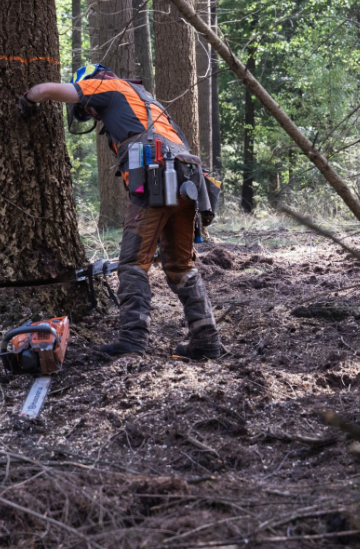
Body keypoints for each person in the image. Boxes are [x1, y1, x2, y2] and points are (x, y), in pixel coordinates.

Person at [18, 63, 221, 360]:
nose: (92, 114)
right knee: (180, 266)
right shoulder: (145, 98)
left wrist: (27, 100)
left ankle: (132, 340)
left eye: (90, 110)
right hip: (188, 181)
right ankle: (207, 339)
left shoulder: (105, 86)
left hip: (157, 180)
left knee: (132, 264)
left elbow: (46, 90)